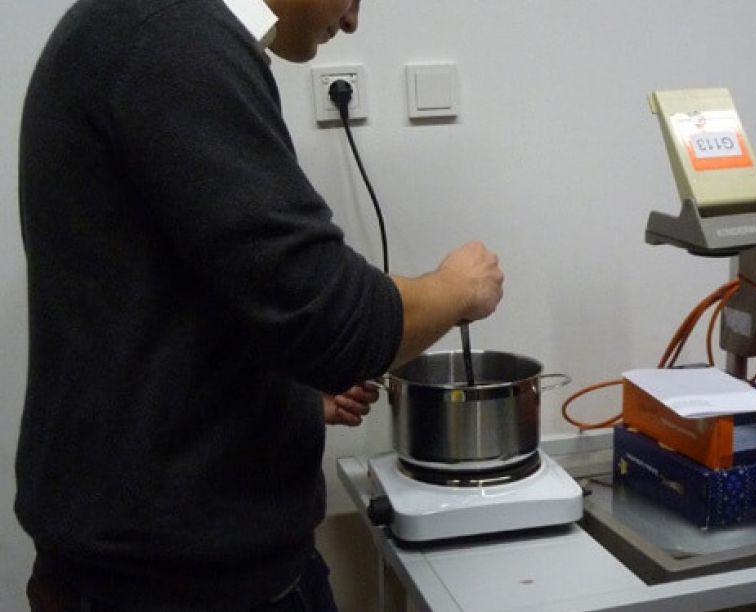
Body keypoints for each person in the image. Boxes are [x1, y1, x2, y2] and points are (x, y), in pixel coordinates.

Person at [16, 0, 504, 610]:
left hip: (168, 564)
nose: (353, 20)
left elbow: (180, 304)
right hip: (178, 587)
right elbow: (332, 320)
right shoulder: (173, 39)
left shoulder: (147, 30)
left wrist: (283, 403)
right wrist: (458, 288)